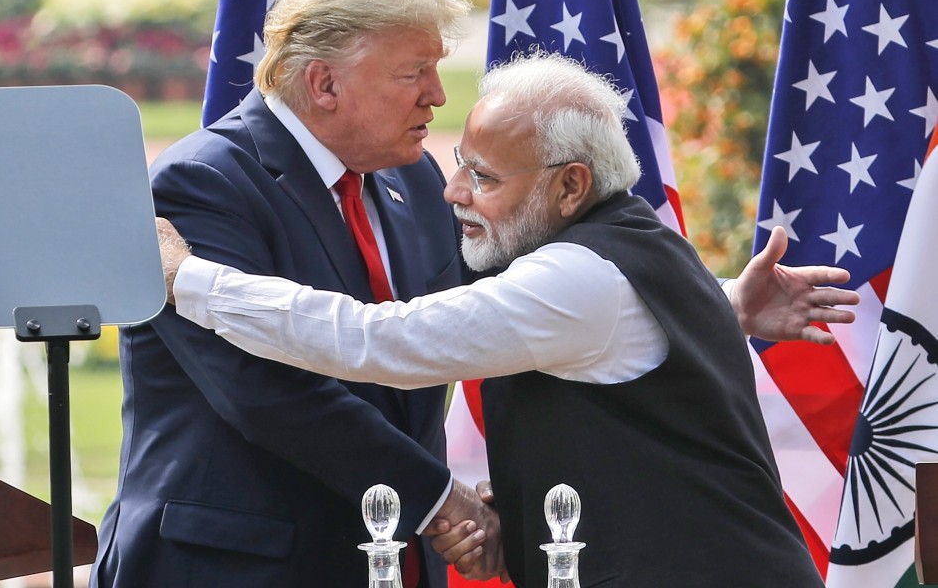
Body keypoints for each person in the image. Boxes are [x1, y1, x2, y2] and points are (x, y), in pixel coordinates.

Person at [158, 51, 858, 587]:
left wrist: (188, 279)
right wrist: (723, 303)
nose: (452, 192)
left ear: (571, 186)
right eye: (461, 164)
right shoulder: (627, 248)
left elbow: (378, 340)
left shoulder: (576, 278)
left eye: (484, 177)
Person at [90, 0, 504, 588]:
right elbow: (264, 389)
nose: (437, 94)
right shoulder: (203, 183)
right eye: (413, 72)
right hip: (236, 568)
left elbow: (472, 324)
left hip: (391, 559)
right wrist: (439, 500)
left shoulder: (414, 175)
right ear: (324, 84)